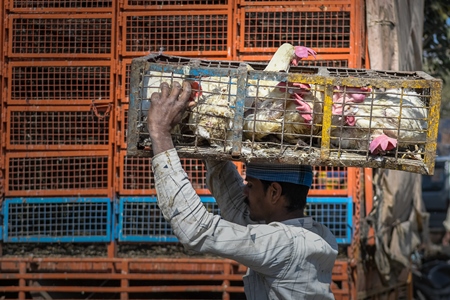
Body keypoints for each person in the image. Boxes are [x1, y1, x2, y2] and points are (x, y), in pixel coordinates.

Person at [147, 81, 338, 299]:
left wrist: (160, 134)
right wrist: (209, 140)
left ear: (274, 193)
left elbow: (197, 232)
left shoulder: (283, 244)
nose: (245, 192)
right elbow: (239, 211)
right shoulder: (316, 235)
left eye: (250, 185)